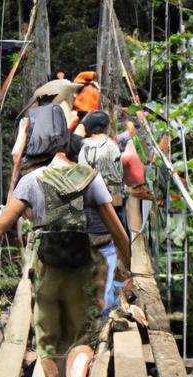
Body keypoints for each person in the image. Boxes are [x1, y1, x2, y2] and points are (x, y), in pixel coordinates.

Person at [0, 145, 130, 377]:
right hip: (82, 266)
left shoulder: (30, 180)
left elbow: (1, 226)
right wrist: (127, 266)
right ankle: (79, 373)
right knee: (83, 337)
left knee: (48, 344)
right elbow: (117, 230)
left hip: (48, 269)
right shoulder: (90, 177)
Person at [78, 110, 126, 316]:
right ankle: (109, 302)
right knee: (114, 246)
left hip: (88, 205)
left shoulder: (82, 147)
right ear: (106, 127)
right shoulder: (113, 146)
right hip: (113, 203)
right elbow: (119, 175)